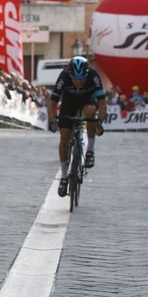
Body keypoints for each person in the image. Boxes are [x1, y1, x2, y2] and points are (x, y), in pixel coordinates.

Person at [46, 56, 107, 198]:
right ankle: (64, 176)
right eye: (75, 79)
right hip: (69, 101)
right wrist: (52, 121)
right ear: (70, 75)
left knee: (91, 111)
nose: (78, 83)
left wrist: (99, 122)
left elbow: (102, 104)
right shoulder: (64, 76)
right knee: (64, 138)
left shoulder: (93, 76)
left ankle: (90, 151)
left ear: (86, 75)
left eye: (81, 79)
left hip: (87, 99)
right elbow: (53, 103)